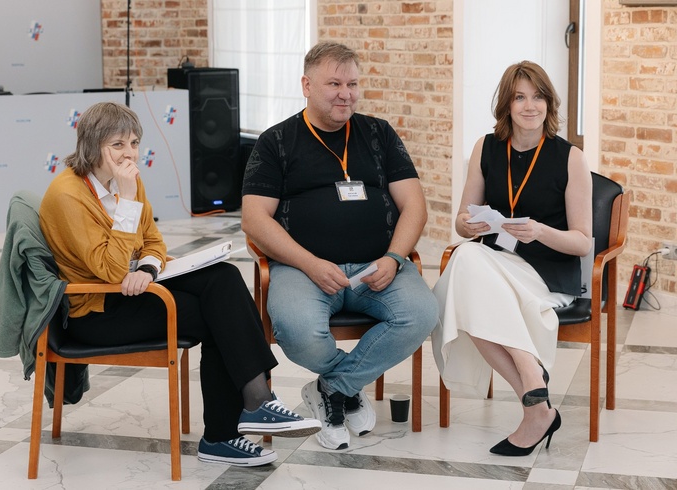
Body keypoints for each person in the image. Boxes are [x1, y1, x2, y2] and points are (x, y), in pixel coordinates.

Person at [38, 101, 321, 467]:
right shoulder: (68, 194)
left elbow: (153, 242)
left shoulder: (125, 181)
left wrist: (147, 269)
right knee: (218, 317)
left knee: (224, 277)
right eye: (117, 144)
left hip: (129, 291)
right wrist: (127, 201)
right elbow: (109, 269)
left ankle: (257, 402)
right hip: (94, 312)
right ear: (92, 146)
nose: (129, 154)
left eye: (134, 143)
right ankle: (228, 430)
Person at [241, 41, 439, 450]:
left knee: (422, 313)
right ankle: (347, 386)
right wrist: (310, 263)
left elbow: (415, 207)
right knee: (298, 331)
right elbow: (254, 220)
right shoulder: (276, 141)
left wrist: (394, 257)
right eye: (334, 84)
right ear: (306, 85)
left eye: (352, 84)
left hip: (377, 266)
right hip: (302, 269)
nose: (345, 94)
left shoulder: (379, 134)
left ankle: (332, 388)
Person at [432, 61, 592, 456]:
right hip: (496, 264)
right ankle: (534, 391)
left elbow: (582, 243)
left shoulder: (571, 157)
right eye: (520, 97)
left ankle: (532, 395)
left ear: (549, 103)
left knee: (464, 282)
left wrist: (540, 232)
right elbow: (462, 220)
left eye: (537, 97)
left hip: (546, 273)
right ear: (506, 104)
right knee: (466, 256)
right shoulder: (485, 148)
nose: (529, 106)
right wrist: (468, 225)